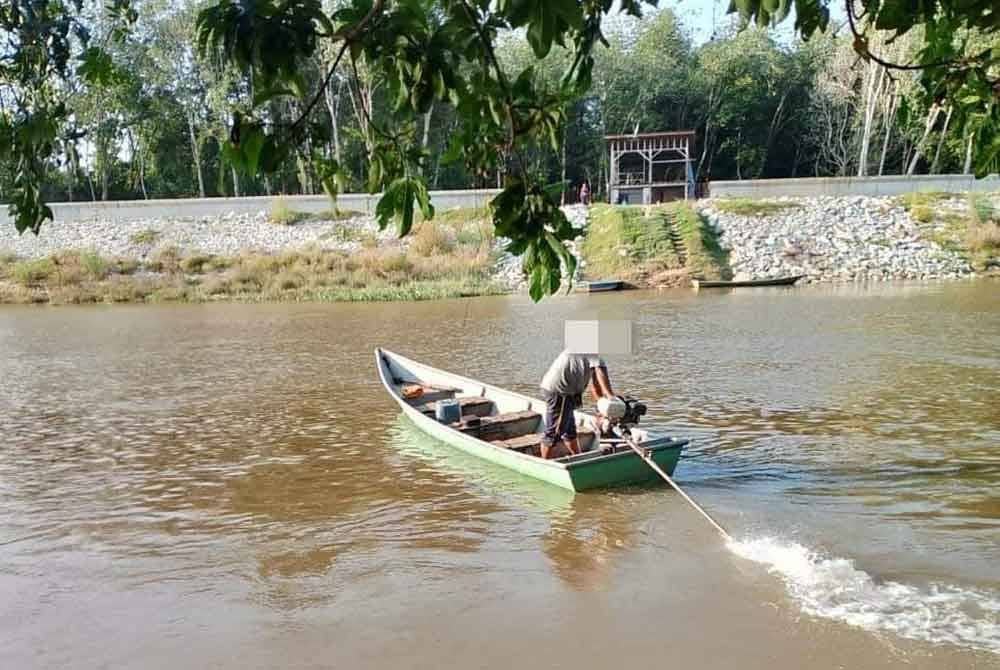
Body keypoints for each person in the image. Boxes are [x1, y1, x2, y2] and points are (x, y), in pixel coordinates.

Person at [539, 351, 616, 459]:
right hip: (560, 391)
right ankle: (545, 463)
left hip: (566, 392)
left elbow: (595, 385)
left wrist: (602, 408)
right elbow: (600, 371)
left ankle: (579, 457)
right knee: (554, 432)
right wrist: (611, 398)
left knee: (569, 430)